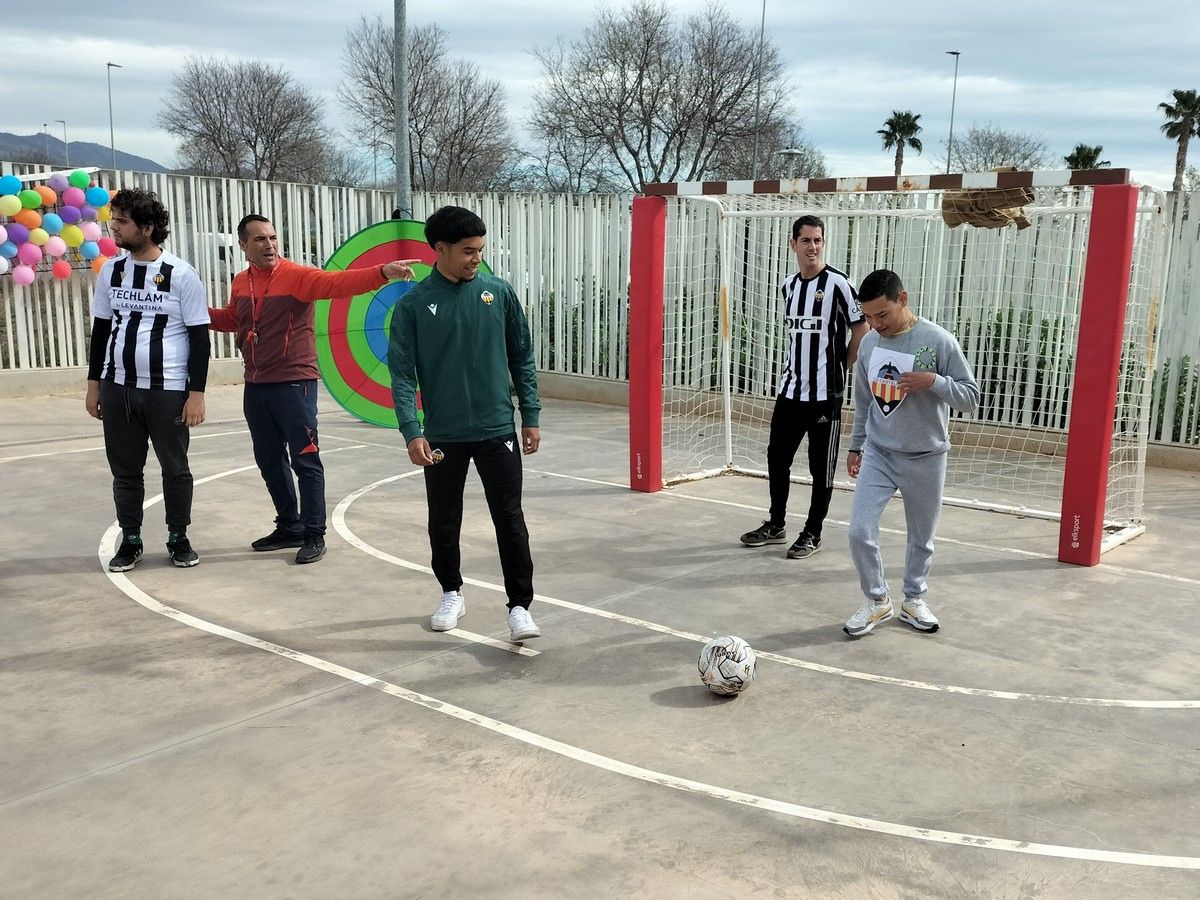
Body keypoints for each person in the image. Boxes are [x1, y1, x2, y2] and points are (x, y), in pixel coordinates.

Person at [208, 214, 415, 564]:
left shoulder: (297, 276)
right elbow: (234, 320)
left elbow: (338, 284)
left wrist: (383, 272)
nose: (269, 244)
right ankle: (289, 526)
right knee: (269, 460)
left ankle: (314, 532)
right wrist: (192, 313)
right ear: (243, 245)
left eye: (273, 237)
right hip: (256, 384)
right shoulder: (241, 281)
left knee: (305, 458)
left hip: (294, 383)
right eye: (259, 239)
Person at [387, 205, 543, 643]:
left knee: (510, 519)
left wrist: (529, 415)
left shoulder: (499, 293)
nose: (477, 258)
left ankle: (519, 608)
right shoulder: (413, 306)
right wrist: (411, 430)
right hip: (442, 436)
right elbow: (401, 375)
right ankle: (451, 591)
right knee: (444, 519)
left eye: (480, 249)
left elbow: (522, 357)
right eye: (468, 251)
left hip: (498, 430)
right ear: (441, 249)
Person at [842, 269, 980, 637]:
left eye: (882, 314)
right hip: (879, 454)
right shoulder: (869, 345)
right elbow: (864, 400)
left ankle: (914, 600)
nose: (875, 324)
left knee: (921, 538)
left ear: (902, 299)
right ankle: (877, 601)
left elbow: (971, 398)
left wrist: (934, 382)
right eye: (868, 316)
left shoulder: (937, 341)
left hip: (926, 457)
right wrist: (856, 445)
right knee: (859, 531)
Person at [86, 188, 210, 572]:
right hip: (118, 387)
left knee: (176, 468)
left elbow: (199, 337)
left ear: (148, 226)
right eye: (114, 219)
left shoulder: (181, 274)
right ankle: (132, 539)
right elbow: (102, 330)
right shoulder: (112, 270)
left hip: (167, 390)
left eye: (122, 221)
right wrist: (94, 385)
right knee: (125, 471)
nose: (114, 227)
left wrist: (196, 394)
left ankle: (178, 537)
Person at [739, 215, 868, 559]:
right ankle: (776, 523)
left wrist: (842, 365)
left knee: (819, 467)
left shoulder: (839, 284)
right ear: (793, 244)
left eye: (818, 240)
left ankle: (813, 532)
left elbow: (861, 329)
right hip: (790, 390)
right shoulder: (788, 286)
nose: (813, 247)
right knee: (777, 458)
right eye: (806, 240)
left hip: (825, 396)